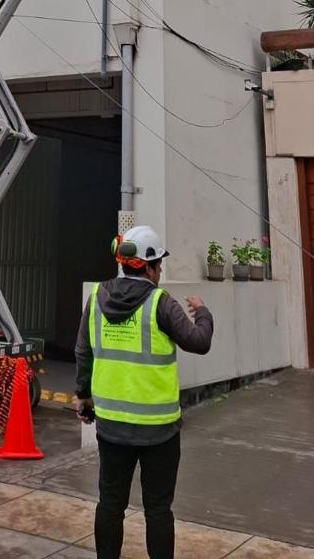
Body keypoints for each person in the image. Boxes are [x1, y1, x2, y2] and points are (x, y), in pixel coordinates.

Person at [73, 224, 214, 559]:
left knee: (110, 504)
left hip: (112, 427)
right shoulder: (160, 304)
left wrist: (83, 396)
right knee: (158, 509)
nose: (161, 271)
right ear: (148, 266)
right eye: (159, 265)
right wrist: (203, 312)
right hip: (159, 432)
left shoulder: (96, 298)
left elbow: (83, 351)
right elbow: (199, 342)